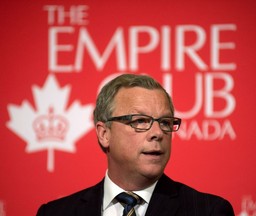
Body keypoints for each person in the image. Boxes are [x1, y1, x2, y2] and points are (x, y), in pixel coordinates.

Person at [37, 74, 235, 216]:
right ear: (104, 134)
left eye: (165, 122)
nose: (158, 133)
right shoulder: (55, 212)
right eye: (140, 121)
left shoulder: (209, 211)